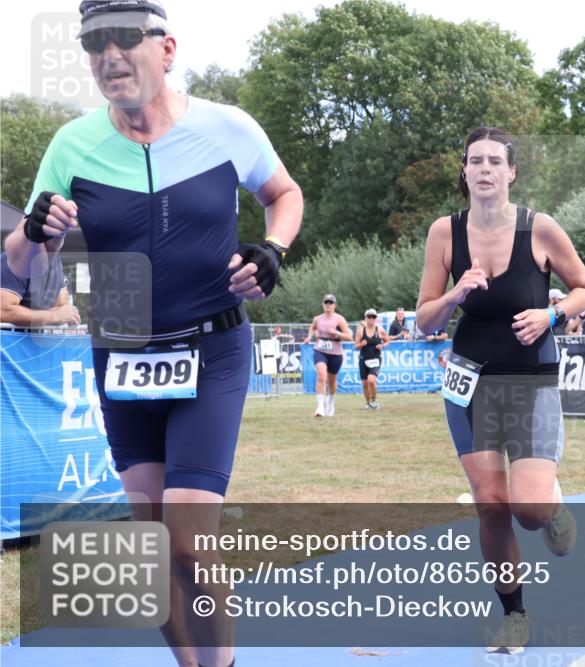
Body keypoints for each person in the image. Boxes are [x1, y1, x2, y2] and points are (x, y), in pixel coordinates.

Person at [3, 3, 303, 665]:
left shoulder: (226, 126)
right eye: (94, 44)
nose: (108, 55)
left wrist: (273, 250)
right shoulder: (71, 144)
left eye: (124, 39)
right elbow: (18, 260)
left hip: (212, 347)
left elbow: (285, 194)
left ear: (166, 49)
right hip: (121, 351)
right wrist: (34, 228)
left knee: (190, 539)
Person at [415, 126, 585, 654]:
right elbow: (426, 320)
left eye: (496, 161)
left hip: (530, 379)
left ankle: (551, 506)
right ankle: (514, 614)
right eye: (476, 160)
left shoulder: (540, 228)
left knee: (529, 510)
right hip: (469, 382)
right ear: (464, 170)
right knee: (491, 506)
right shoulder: (445, 232)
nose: (486, 169)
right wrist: (456, 293)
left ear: (512, 172)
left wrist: (551, 314)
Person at [302, 294, 351, 417]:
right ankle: (320, 407)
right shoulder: (317, 319)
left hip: (335, 353)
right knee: (321, 376)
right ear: (322, 305)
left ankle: (330, 402)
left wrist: (337, 333)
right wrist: (309, 337)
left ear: (335, 305)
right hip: (320, 351)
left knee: (332, 381)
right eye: (326, 303)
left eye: (330, 303)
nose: (328, 305)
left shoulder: (339, 319)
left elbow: (349, 337)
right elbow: (313, 328)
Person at [1, 251, 80, 327]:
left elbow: (63, 306)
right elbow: (4, 312)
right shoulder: (12, 259)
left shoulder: (55, 259)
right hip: (9, 335)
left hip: (35, 334)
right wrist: (54, 316)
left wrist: (65, 314)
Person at [355, 307, 389, 409]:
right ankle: (368, 403)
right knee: (365, 383)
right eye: (369, 316)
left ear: (376, 318)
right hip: (363, 359)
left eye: (373, 317)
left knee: (371, 380)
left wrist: (382, 345)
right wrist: (361, 344)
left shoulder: (380, 330)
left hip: (376, 359)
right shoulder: (360, 331)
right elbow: (356, 346)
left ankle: (374, 400)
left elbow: (388, 340)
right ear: (366, 318)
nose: (371, 319)